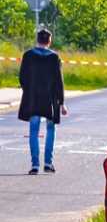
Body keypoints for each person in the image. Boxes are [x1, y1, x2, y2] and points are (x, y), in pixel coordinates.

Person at [18, 28, 67, 175]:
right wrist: (62, 102)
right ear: (49, 41)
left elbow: (22, 78)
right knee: (50, 129)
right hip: (50, 100)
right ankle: (48, 163)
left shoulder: (28, 55)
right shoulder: (54, 57)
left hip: (33, 99)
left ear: (37, 40)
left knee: (34, 130)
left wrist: (29, 91)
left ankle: (34, 165)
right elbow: (59, 81)